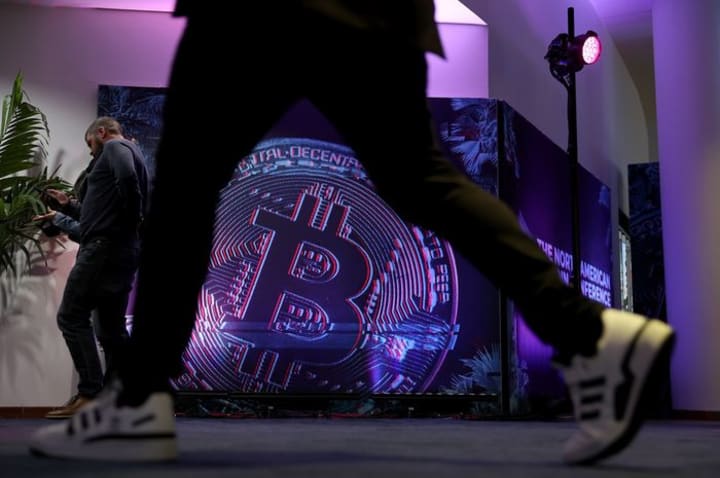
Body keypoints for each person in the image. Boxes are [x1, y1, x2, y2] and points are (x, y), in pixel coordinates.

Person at [29, 1, 674, 465]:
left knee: (187, 185)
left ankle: (138, 401)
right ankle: (590, 335)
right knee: (421, 182)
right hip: (377, 12)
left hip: (253, 11)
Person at [33, 117, 149, 419]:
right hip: (119, 251)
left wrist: (134, 215)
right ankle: (117, 398)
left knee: (71, 316)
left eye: (90, 144)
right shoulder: (132, 153)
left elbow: (126, 180)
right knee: (110, 330)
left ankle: (90, 394)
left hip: (101, 251)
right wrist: (66, 205)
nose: (90, 151)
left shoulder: (114, 147)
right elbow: (95, 219)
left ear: (101, 132)